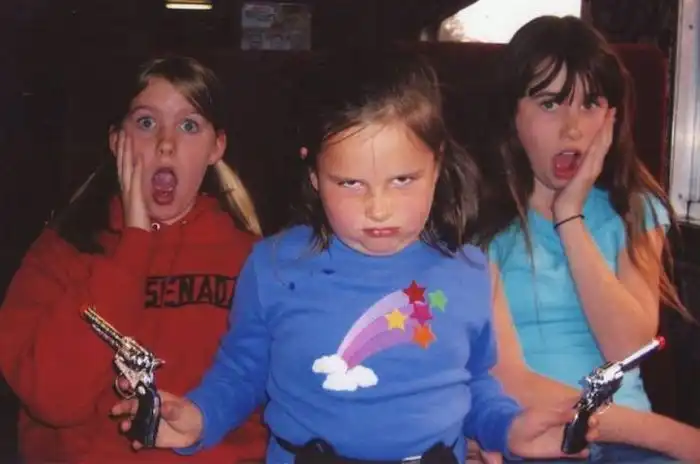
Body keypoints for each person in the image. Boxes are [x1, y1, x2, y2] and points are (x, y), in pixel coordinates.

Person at [112, 50, 599, 463]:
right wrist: (199, 418)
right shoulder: (272, 266)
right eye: (350, 183)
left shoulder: (471, 272)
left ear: (436, 167)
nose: (378, 207)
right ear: (314, 177)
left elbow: (475, 385)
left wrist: (510, 430)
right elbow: (242, 373)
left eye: (403, 180)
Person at [0, 55, 268, 463]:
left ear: (217, 147)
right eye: (146, 122)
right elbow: (54, 399)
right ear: (116, 141)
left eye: (189, 125)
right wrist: (133, 247)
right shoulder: (60, 253)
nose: (166, 143)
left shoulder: (255, 260)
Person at [481, 15, 700, 462]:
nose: (573, 128)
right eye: (549, 104)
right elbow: (508, 378)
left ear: (612, 117)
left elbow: (627, 347)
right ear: (512, 116)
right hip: (539, 437)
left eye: (591, 103)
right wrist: (669, 436)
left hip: (630, 445)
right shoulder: (481, 227)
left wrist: (570, 217)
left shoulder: (633, 210)